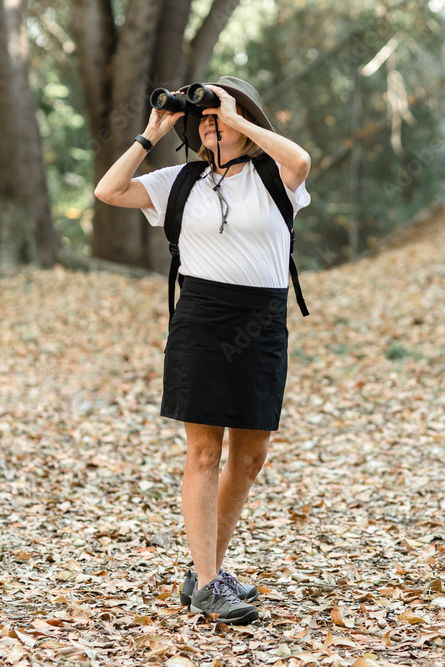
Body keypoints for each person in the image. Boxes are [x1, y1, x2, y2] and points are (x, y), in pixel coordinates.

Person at [94, 76, 311, 625]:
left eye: (221, 118)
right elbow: (108, 191)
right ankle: (211, 581)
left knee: (252, 456)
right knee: (203, 451)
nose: (211, 126)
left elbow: (302, 159)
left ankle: (204, 568)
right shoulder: (180, 180)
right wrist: (150, 134)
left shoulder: (272, 175)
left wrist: (235, 116)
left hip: (262, 321)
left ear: (243, 122)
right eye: (204, 119)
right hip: (202, 320)